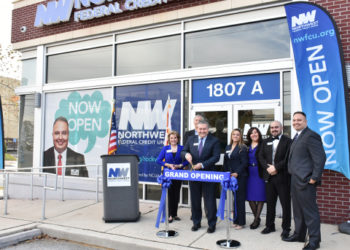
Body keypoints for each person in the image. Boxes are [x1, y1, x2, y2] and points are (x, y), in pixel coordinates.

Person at [283, 112, 326, 250]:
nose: (296, 122)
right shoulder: (296, 136)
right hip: (295, 180)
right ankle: (299, 235)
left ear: (306, 121)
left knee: (310, 212)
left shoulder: (311, 135)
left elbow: (320, 158)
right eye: (294, 120)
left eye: (299, 120)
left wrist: (314, 178)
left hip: (306, 181)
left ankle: (314, 241)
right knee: (298, 210)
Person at [181, 120, 220, 233]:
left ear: (208, 129)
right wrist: (186, 154)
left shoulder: (214, 140)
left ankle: (212, 224)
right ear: (197, 129)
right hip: (194, 175)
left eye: (204, 129)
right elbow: (183, 151)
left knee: (210, 201)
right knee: (195, 200)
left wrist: (202, 165)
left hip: (208, 174)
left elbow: (216, 157)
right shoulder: (191, 139)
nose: (202, 131)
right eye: (200, 129)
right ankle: (196, 222)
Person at [258, 121, 292, 239]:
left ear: (281, 128)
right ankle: (269, 225)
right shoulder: (265, 141)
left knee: (285, 205)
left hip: (282, 177)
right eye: (272, 127)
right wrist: (268, 168)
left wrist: (276, 167)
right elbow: (260, 157)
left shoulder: (288, 141)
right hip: (269, 177)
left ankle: (286, 228)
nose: (274, 129)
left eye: (276, 127)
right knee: (270, 203)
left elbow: (288, 158)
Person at [156, 131, 188, 222]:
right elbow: (158, 160)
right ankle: (170, 215)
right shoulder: (165, 148)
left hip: (179, 174)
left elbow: (187, 161)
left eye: (175, 138)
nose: (173, 139)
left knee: (176, 194)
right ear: (169, 140)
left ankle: (175, 214)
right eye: (171, 138)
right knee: (170, 194)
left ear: (178, 139)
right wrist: (168, 165)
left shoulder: (182, 148)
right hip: (168, 175)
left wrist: (180, 165)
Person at [223, 128, 248, 230]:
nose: (235, 136)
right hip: (230, 176)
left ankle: (241, 223)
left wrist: (237, 173)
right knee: (234, 200)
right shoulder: (228, 146)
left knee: (240, 199)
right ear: (231, 136)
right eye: (234, 134)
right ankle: (236, 220)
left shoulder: (243, 147)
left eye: (237, 135)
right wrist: (226, 173)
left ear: (240, 136)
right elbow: (226, 161)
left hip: (240, 176)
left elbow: (244, 163)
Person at [245, 127, 266, 230]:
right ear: (249, 135)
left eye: (256, 132)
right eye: (251, 133)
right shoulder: (246, 146)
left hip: (259, 172)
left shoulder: (263, 144)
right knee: (250, 197)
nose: (254, 134)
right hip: (249, 172)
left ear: (259, 134)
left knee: (260, 196)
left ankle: (256, 219)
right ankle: (257, 218)